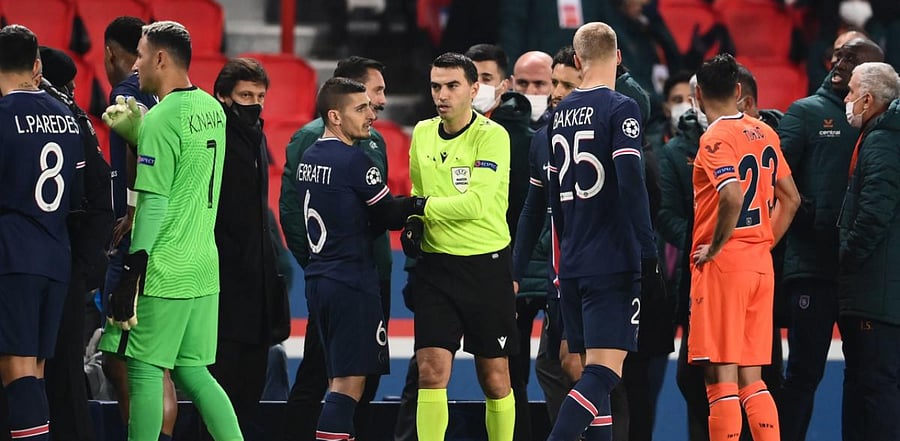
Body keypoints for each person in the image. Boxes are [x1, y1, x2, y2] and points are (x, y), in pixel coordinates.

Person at [99, 20, 242, 441]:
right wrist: (141, 138)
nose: (136, 65)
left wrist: (133, 270)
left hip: (164, 266)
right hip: (203, 265)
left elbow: (156, 201)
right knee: (194, 372)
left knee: (144, 370)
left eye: (141, 56)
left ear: (160, 58)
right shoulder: (212, 109)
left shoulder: (162, 118)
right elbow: (186, 173)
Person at [545, 21, 659, 441]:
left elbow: (554, 199)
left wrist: (564, 257)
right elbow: (631, 182)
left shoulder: (558, 115)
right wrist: (647, 251)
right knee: (605, 374)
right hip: (612, 259)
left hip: (574, 260)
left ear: (577, 61)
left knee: (594, 373)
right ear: (619, 57)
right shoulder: (620, 107)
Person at [296, 76, 424, 441]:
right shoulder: (353, 160)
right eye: (361, 108)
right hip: (351, 282)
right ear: (335, 116)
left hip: (320, 279)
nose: (371, 115)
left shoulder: (310, 157)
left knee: (336, 379)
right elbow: (387, 214)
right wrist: (423, 203)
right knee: (348, 384)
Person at [279, 55, 394, 441]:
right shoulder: (321, 143)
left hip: (355, 275)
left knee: (354, 378)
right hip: (346, 278)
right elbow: (293, 211)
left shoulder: (363, 142)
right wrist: (319, 259)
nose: (379, 104)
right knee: (334, 379)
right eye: (372, 95)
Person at [776, 36, 884, 441]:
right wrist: (813, 217)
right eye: (839, 55)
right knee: (803, 374)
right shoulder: (805, 113)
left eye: (852, 59)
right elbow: (774, 180)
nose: (839, 62)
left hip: (860, 274)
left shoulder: (880, 124)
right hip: (812, 268)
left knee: (863, 376)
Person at [688, 54, 799, 441]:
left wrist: (716, 248)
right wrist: (763, 243)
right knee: (753, 378)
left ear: (698, 94)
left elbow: (732, 196)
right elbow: (791, 199)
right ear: (738, 90)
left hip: (725, 267)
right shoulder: (765, 131)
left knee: (720, 376)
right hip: (759, 266)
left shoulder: (714, 138)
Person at [409, 52, 517, 441]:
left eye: (452, 86)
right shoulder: (422, 132)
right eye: (436, 86)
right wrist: (414, 221)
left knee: (494, 377)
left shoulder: (492, 136)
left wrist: (419, 208)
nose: (442, 94)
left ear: (474, 89)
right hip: (436, 268)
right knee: (430, 371)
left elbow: (476, 205)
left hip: (485, 267)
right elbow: (418, 188)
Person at [0, 24, 83, 441]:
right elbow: (77, 194)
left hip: (14, 254)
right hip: (56, 255)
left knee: (16, 369)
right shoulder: (67, 116)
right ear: (36, 65)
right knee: (35, 370)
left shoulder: (3, 115)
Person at [98, 16, 176, 438]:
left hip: (137, 237)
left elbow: (142, 152)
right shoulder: (170, 96)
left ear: (111, 52)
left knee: (127, 360)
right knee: (151, 361)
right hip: (169, 234)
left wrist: (132, 211)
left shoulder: (127, 93)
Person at [209, 57, 290, 437]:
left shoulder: (257, 137)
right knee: (220, 394)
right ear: (222, 97)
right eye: (245, 96)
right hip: (222, 288)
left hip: (256, 288)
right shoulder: (212, 141)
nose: (254, 104)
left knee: (249, 394)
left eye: (260, 96)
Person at [37, 45, 115, 441]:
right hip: (66, 263)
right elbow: (102, 197)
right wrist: (82, 265)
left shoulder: (19, 115)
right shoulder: (75, 120)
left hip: (37, 264)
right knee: (64, 375)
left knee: (28, 371)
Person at [463, 43, 534, 441]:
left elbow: (526, 211)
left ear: (504, 85)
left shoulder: (520, 138)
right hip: (451, 269)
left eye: (486, 78)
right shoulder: (436, 134)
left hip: (500, 270)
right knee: (427, 370)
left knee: (507, 374)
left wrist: (514, 269)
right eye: (471, 78)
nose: (477, 87)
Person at [512, 45, 582, 426]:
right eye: (554, 83)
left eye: (564, 85)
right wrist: (515, 272)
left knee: (582, 368)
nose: (554, 93)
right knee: (554, 367)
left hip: (590, 273)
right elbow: (532, 210)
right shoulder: (543, 139)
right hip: (557, 275)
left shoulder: (606, 130)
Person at [838, 61, 900, 441]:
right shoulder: (883, 136)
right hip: (878, 292)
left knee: (874, 392)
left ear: (868, 99)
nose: (846, 99)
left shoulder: (882, 142)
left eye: (851, 92)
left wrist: (847, 258)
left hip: (875, 294)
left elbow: (874, 215)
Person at [512, 51, 553, 128]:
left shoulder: (566, 122)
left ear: (555, 84)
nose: (530, 91)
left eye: (539, 84)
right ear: (512, 83)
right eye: (522, 83)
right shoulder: (499, 119)